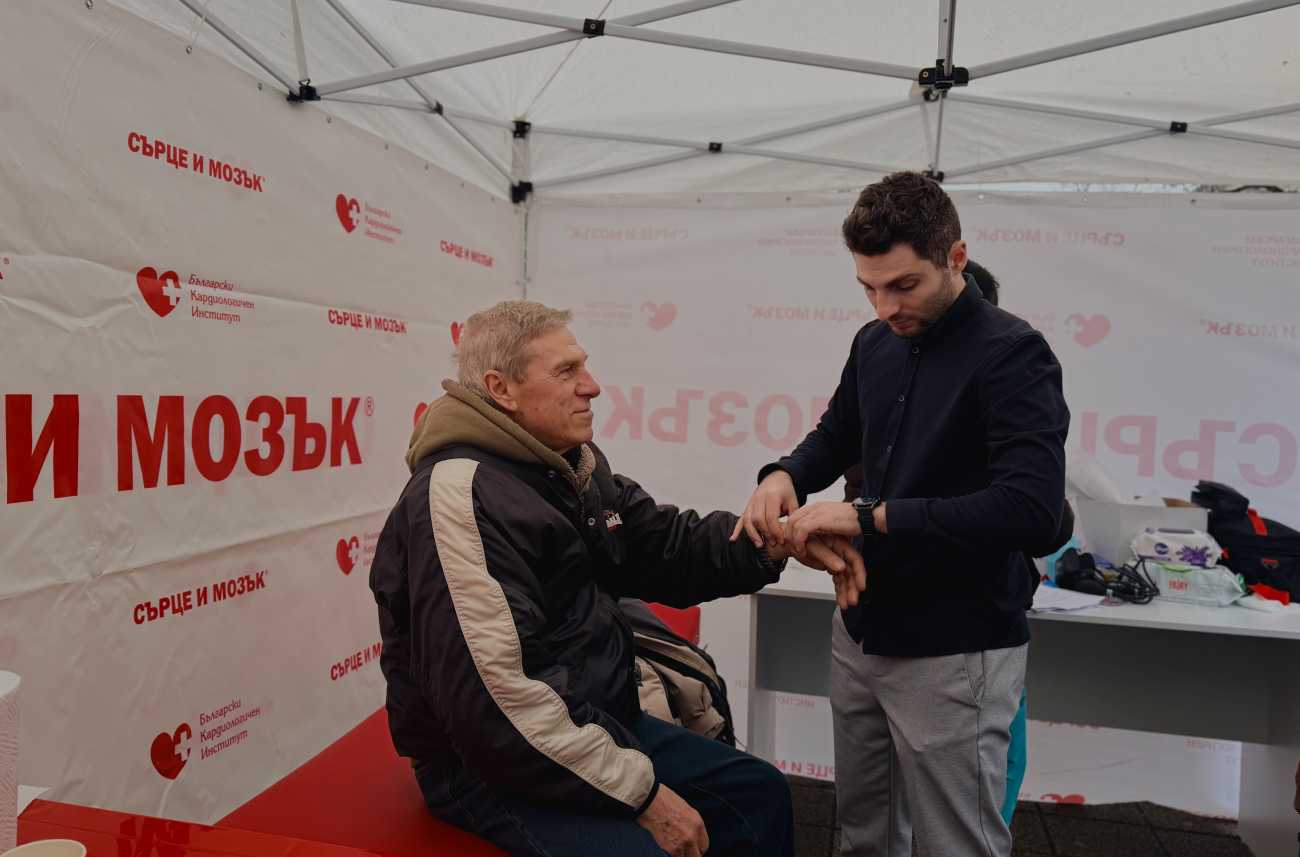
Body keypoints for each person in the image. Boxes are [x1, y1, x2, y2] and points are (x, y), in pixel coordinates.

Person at [370, 300, 863, 857]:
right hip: (490, 765)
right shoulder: (460, 498)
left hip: (591, 722)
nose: (593, 386)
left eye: (584, 365)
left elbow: (665, 547)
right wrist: (644, 797)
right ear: (500, 389)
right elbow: (499, 704)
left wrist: (777, 540)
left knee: (758, 794)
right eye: (567, 371)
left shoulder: (565, 464)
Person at [734, 172, 1070, 857]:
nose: (886, 306)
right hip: (860, 628)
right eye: (868, 287)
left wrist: (869, 518)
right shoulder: (873, 342)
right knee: (864, 836)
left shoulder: (1013, 354)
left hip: (956, 645)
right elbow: (836, 434)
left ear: (956, 257)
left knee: (955, 844)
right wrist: (783, 474)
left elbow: (1033, 511)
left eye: (904, 285)